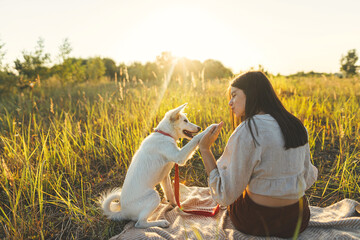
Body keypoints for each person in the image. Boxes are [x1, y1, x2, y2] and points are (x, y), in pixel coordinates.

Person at [199, 71, 318, 238]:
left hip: (256, 221)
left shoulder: (249, 129)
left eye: (234, 95)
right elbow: (307, 176)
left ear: (252, 93)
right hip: (297, 220)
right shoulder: (295, 124)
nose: (230, 102)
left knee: (239, 187)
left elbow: (225, 196)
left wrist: (205, 149)